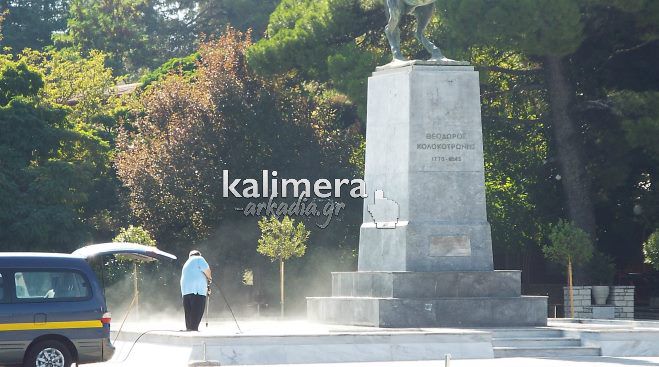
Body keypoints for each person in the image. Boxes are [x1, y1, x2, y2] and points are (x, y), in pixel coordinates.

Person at [180, 250, 212, 331]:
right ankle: (194, 331)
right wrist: (209, 279)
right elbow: (207, 271)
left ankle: (189, 329)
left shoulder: (187, 263)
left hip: (185, 292)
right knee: (197, 313)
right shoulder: (199, 258)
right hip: (197, 291)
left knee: (189, 314)